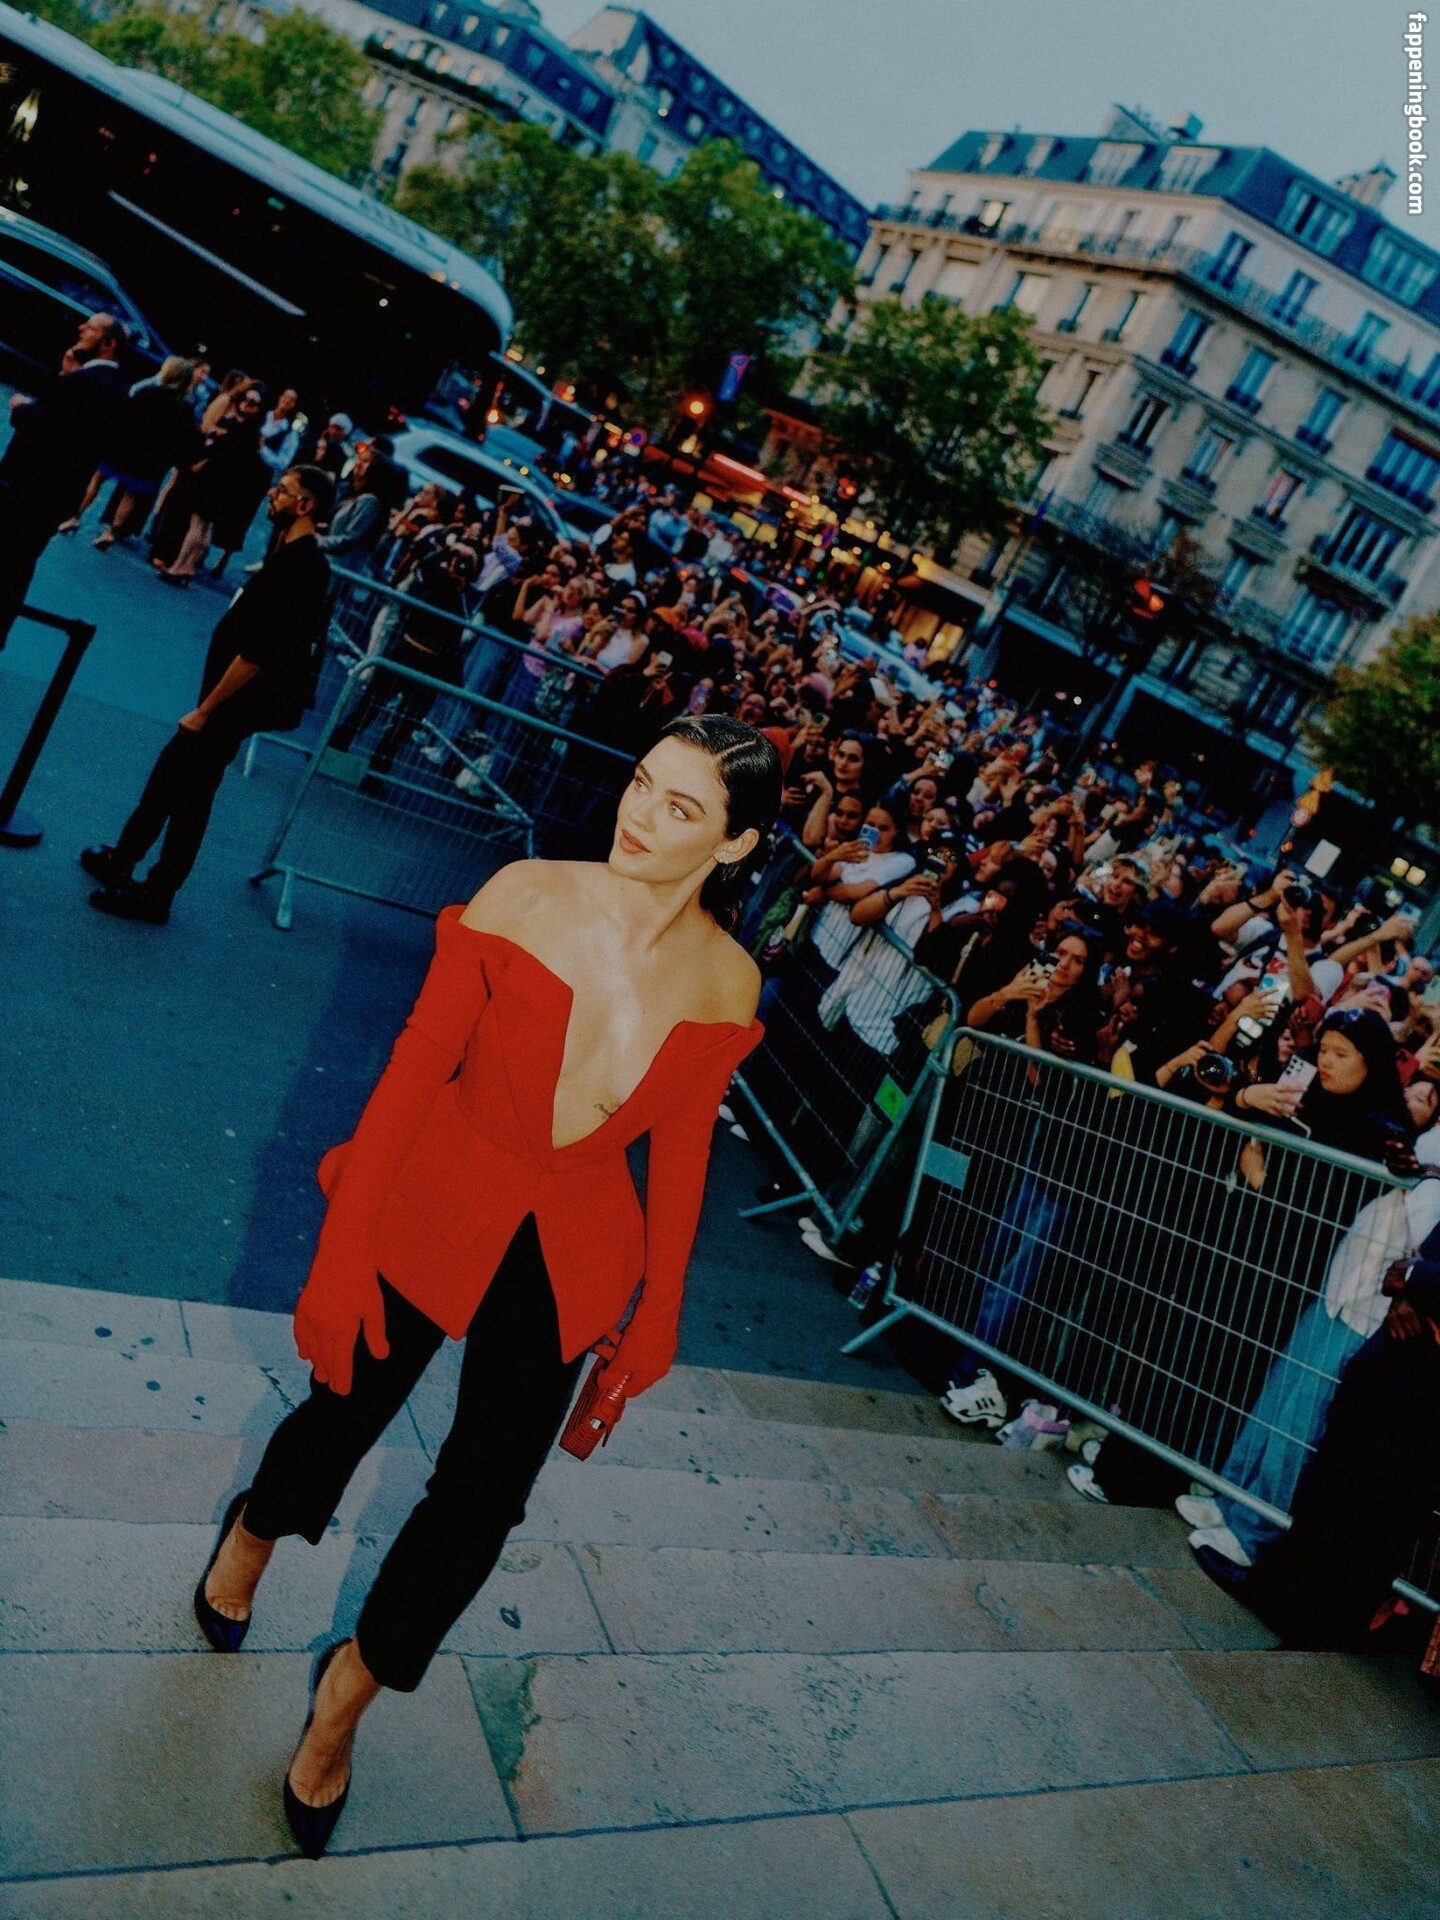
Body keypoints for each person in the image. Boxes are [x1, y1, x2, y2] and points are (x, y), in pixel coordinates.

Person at [188, 715, 778, 1857]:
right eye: (642, 783)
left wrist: (656, 1316)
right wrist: (341, 1253)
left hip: (572, 1244)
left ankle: (347, 1699)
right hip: (440, 1187)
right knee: (344, 1410)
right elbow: (412, 1072)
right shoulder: (527, 894)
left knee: (483, 1502)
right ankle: (256, 1529)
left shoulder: (730, 978)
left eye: (681, 808)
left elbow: (683, 1156)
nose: (639, 815)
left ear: (736, 844)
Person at [81, 466, 335, 923]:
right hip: (229, 699)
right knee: (170, 783)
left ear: (305, 506)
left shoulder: (300, 567)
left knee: (188, 799)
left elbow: (257, 654)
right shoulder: (295, 556)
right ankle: (124, 861)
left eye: (283, 491)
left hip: (233, 703)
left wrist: (206, 709)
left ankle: (155, 893)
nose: (272, 494)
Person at [0, 311, 128, 647]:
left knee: (8, 560)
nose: (82, 329)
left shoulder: (83, 382)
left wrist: (21, 407)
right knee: (19, 563)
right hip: (57, 495)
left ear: (109, 343)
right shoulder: (117, 391)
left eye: (91, 328)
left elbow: (47, 423)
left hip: (25, 487)